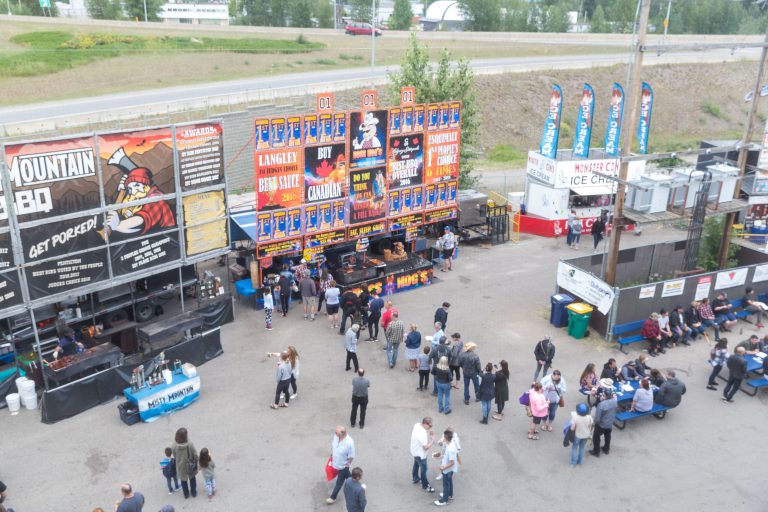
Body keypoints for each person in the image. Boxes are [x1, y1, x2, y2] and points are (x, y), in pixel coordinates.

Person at [327, 426, 355, 504]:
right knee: (348, 476)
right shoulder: (336, 436)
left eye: (337, 433)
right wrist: (331, 454)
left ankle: (333, 497)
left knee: (339, 483)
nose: (335, 434)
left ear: (343, 433)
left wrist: (347, 465)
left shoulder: (350, 442)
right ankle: (355, 482)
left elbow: (351, 456)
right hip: (336, 462)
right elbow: (334, 445)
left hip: (343, 466)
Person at [410, 417, 436, 493]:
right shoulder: (422, 434)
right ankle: (425, 485)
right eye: (430, 426)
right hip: (421, 454)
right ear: (425, 424)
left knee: (416, 464)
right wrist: (433, 439)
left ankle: (415, 478)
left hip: (414, 451)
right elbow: (425, 447)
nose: (430, 427)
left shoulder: (417, 425)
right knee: (424, 469)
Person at [433, 429, 458, 507]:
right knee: (449, 481)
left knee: (446, 484)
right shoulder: (451, 443)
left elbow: (451, 462)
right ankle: (449, 495)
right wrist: (441, 456)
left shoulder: (450, 448)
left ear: (446, 438)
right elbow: (448, 457)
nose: (442, 437)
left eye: (443, 436)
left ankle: (444, 500)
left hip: (447, 469)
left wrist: (443, 468)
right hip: (449, 469)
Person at [590, 387, 617, 457]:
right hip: (610, 423)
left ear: (605, 396)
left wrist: (594, 423)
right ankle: (606, 449)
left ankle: (596, 451)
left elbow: (597, 418)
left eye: (603, 395)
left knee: (596, 437)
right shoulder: (614, 401)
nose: (602, 396)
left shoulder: (601, 405)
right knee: (608, 436)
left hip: (601, 425)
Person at [172, 428, 198, 499]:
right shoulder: (190, 444)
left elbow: (175, 456)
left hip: (180, 466)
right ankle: (193, 492)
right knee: (192, 479)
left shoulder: (174, 446)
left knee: (183, 481)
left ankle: (186, 494)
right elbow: (196, 455)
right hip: (190, 465)